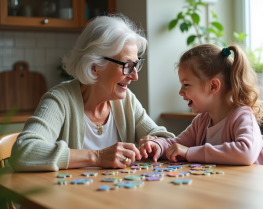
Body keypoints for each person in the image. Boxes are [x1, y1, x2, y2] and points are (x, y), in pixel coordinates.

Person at [10, 14, 175, 172]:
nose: (135, 76)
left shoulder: (126, 101)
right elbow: (24, 151)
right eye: (127, 65)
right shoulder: (60, 100)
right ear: (95, 66)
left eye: (136, 64)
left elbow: (166, 138)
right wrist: (98, 156)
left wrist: (155, 142)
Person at [140, 44, 263, 166]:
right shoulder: (201, 121)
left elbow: (246, 153)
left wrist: (189, 153)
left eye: (186, 85)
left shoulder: (242, 116)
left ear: (213, 86)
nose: (180, 92)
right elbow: (176, 144)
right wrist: (158, 145)